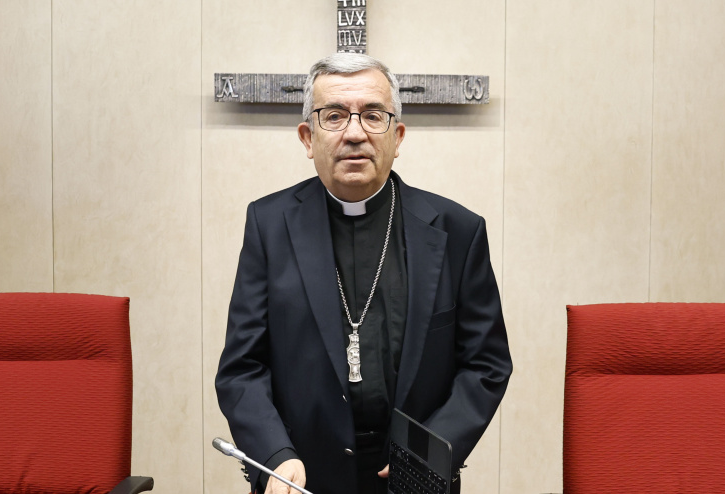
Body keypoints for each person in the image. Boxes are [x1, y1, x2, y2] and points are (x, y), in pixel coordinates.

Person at [216, 53, 512, 494]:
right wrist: (274, 455)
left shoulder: (457, 231)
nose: (355, 133)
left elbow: (486, 364)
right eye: (334, 116)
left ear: (398, 136)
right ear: (307, 137)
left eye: (373, 115)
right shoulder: (268, 225)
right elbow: (242, 369)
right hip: (301, 476)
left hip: (414, 481)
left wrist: (428, 454)